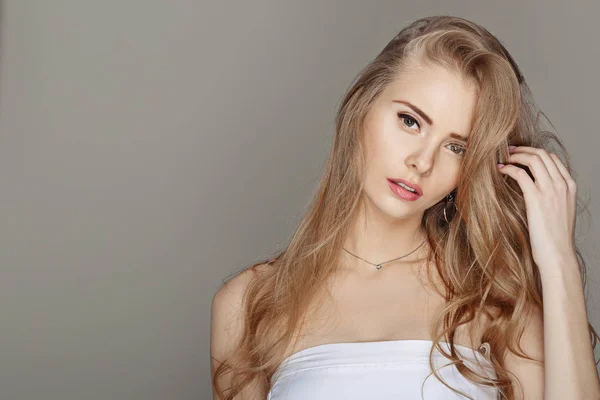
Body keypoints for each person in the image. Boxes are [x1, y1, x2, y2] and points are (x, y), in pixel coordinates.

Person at [210, 15, 600, 400]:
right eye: (410, 121)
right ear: (361, 107)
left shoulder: (494, 305)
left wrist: (558, 261)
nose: (423, 161)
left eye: (456, 147)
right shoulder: (250, 304)